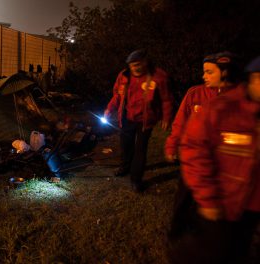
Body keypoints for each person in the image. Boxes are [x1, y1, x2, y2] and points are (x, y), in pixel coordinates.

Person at [171, 56, 260, 264]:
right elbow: (190, 140)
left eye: (209, 71)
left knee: (238, 250)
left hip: (251, 207)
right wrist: (208, 198)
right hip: (223, 204)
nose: (204, 76)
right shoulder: (221, 108)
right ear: (252, 79)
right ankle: (177, 234)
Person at [164, 52, 243, 239]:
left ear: (224, 73)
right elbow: (180, 122)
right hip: (193, 161)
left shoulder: (240, 97)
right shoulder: (195, 93)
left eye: (209, 72)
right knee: (184, 198)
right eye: (204, 72)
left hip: (222, 165)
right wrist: (171, 145)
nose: (203, 76)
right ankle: (176, 230)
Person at [104, 49, 173, 192]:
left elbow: (166, 99)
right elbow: (117, 95)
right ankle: (125, 167)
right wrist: (109, 109)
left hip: (146, 120)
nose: (135, 68)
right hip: (126, 117)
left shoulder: (158, 76)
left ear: (145, 62)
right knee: (126, 145)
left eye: (137, 64)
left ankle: (136, 179)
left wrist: (166, 116)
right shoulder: (124, 76)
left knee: (140, 149)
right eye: (132, 65)